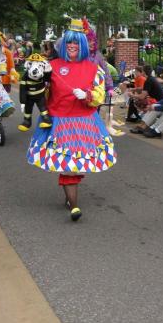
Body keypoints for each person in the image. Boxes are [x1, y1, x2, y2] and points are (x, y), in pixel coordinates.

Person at [26, 19, 116, 222]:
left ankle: (70, 197)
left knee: (76, 164)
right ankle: (74, 206)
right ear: (63, 45)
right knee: (68, 165)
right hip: (60, 122)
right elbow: (38, 89)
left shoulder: (94, 69)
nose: (72, 46)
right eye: (68, 43)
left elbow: (100, 95)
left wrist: (88, 95)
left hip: (84, 122)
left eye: (76, 43)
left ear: (83, 45)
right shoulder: (51, 66)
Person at [130, 67, 163, 138]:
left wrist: (155, 107)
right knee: (154, 107)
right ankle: (143, 126)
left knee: (160, 109)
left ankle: (154, 129)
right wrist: (155, 105)